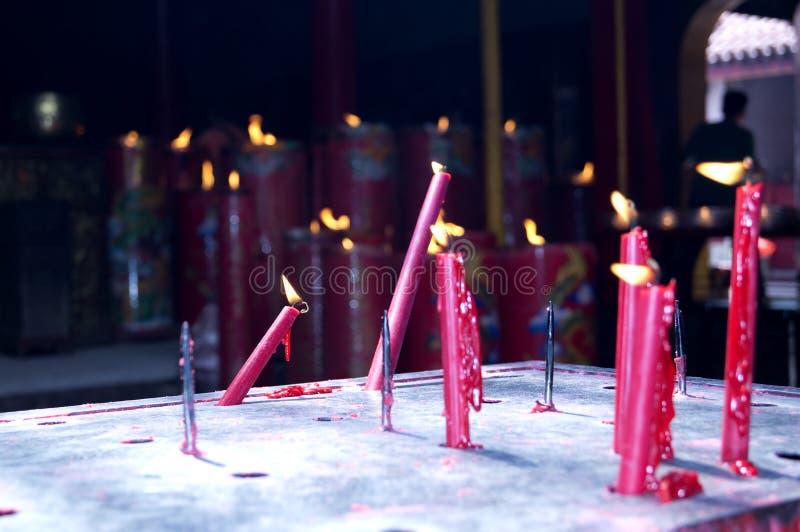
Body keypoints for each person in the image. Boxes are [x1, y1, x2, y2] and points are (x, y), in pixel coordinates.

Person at [683, 90, 755, 207]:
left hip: (701, 197)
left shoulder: (703, 130)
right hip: (728, 201)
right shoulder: (744, 136)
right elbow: (749, 165)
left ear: (723, 108)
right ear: (742, 111)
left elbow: (685, 156)